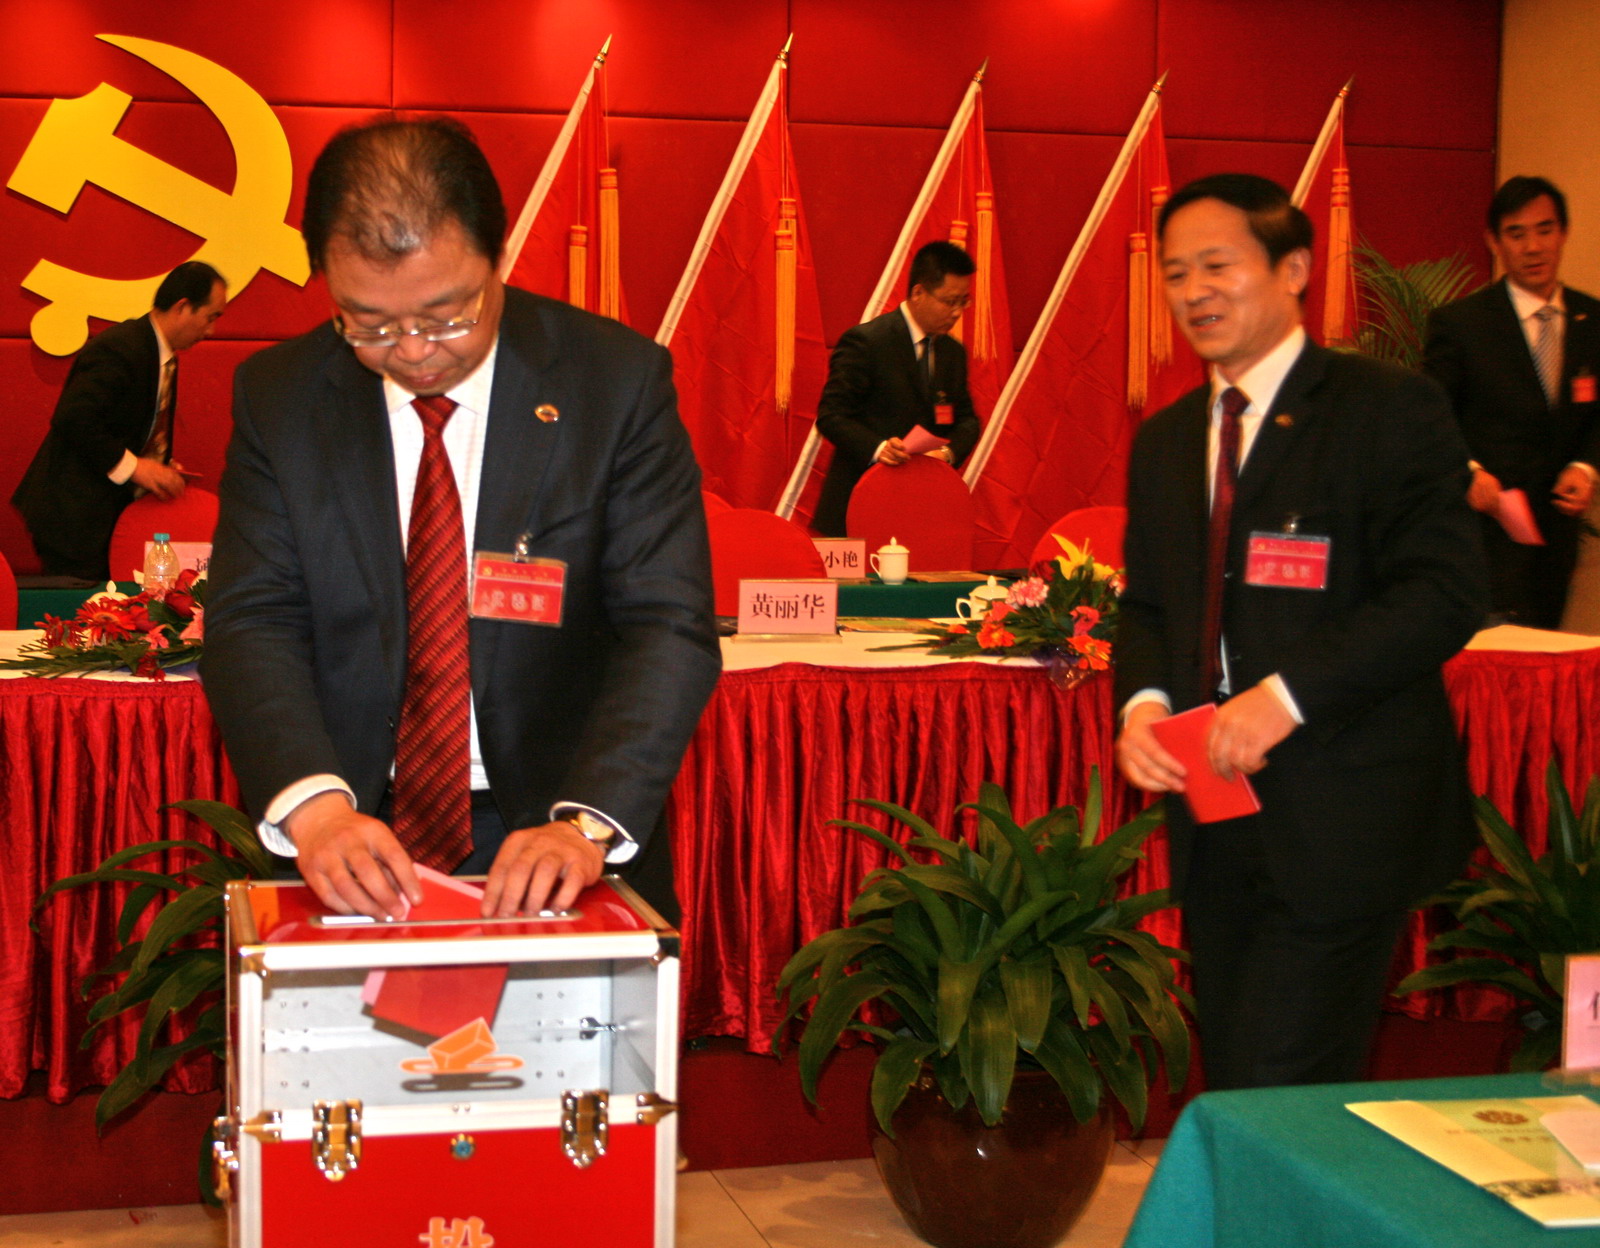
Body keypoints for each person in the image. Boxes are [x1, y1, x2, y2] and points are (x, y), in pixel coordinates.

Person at [201, 117, 719, 924]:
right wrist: (315, 809)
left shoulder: (613, 384)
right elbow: (252, 618)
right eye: (368, 322)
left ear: (497, 257)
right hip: (348, 832)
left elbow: (667, 625)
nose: (413, 350)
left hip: (557, 831)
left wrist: (585, 823)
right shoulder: (282, 397)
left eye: (447, 314)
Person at [1113, 173, 1488, 1091]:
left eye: (1217, 266)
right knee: (1241, 1073)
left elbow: (1443, 591)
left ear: (1294, 270)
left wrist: (1286, 698)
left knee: (1280, 1078)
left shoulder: (1385, 408)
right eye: (1175, 273)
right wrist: (1143, 706)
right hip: (1213, 814)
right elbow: (1150, 605)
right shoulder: (1166, 441)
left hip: (1343, 811)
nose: (1194, 291)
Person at [1425, 176, 1600, 628]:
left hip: (1558, 538)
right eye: (1517, 234)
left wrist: (1585, 467)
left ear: (1563, 233)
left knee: (1544, 650)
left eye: (1545, 230)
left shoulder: (1594, 319)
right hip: (1484, 531)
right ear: (1494, 242)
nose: (1533, 247)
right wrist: (1468, 470)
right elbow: (1430, 418)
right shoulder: (1460, 324)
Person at [12, 262, 227, 580]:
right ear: (183, 307)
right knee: (83, 607)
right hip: (73, 517)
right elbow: (75, 419)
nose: (211, 331)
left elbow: (128, 428)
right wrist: (138, 468)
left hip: (104, 515)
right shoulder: (120, 347)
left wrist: (158, 464)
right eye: (210, 317)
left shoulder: (160, 354)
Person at [813, 240, 981, 536]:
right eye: (949, 301)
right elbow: (831, 416)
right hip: (857, 502)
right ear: (918, 293)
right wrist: (879, 448)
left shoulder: (952, 353)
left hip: (920, 508)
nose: (957, 312)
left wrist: (947, 453)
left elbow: (967, 420)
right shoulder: (867, 342)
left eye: (963, 302)